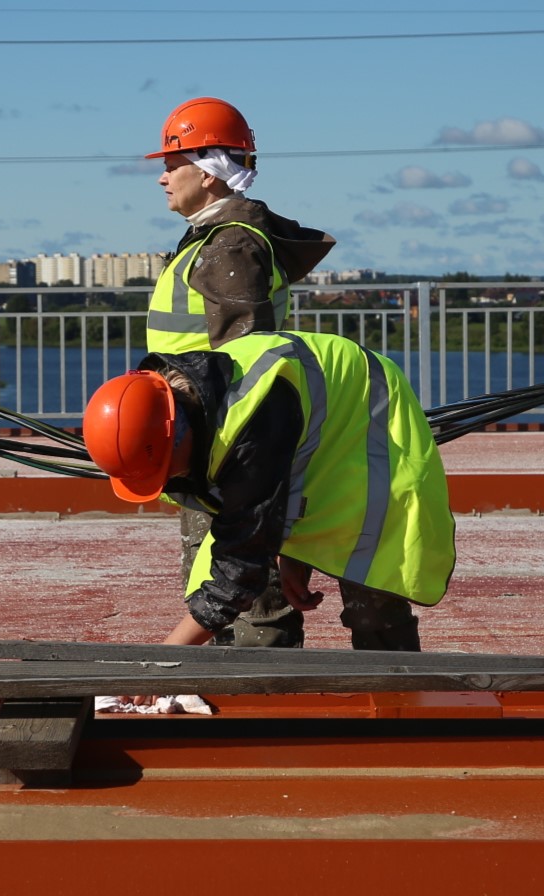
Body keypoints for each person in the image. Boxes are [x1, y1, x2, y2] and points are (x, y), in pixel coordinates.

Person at [82, 330, 456, 652]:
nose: (169, 480)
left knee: (375, 579)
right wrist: (292, 550)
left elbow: (240, 564)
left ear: (178, 433)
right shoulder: (194, 403)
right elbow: (278, 480)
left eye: (167, 469)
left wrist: (161, 660)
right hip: (316, 430)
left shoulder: (247, 428)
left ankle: (396, 690)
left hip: (373, 420)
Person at [143, 96, 336, 647]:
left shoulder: (230, 245)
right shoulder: (216, 237)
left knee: (244, 585)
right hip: (205, 432)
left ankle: (260, 689)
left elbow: (246, 366)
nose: (162, 178)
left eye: (171, 164)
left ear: (207, 172)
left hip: (222, 441)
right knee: (224, 580)